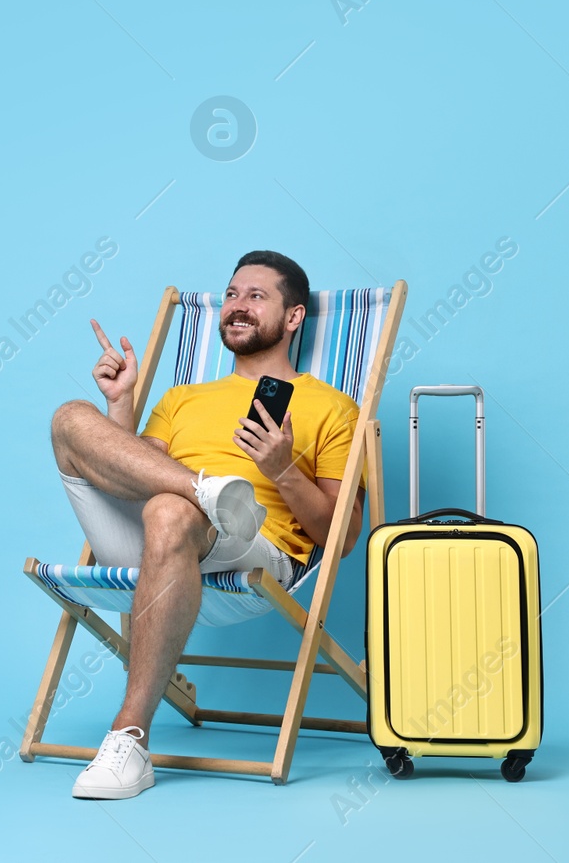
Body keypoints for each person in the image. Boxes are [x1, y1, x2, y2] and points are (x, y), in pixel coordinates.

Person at [50, 250, 364, 799]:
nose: (237, 306)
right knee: (71, 417)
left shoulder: (332, 408)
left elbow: (340, 536)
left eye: (256, 296)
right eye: (233, 295)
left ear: (293, 318)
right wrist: (120, 408)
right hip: (157, 535)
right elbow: (131, 474)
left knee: (168, 510)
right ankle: (207, 491)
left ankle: (128, 740)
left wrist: (283, 470)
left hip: (254, 548)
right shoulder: (181, 398)